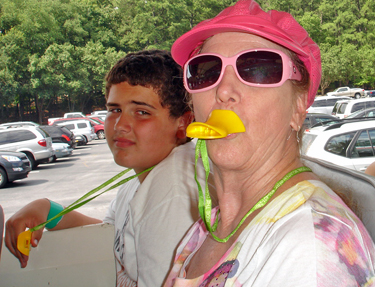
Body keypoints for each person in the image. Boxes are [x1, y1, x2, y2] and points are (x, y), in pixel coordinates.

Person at [163, 1, 375, 286]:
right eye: (206, 71)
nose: (223, 91)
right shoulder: (208, 227)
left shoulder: (308, 245)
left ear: (299, 106)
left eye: (257, 69)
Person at [5, 50, 216, 286]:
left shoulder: (173, 189)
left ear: (183, 122)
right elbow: (115, 235)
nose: (120, 125)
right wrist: (49, 211)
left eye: (142, 112)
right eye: (114, 109)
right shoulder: (142, 176)